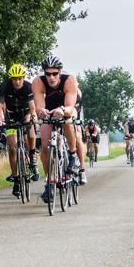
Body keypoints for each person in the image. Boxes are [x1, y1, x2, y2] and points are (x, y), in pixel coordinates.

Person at [33, 55, 84, 203]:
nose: (51, 77)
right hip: (49, 109)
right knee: (44, 144)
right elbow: (39, 107)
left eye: (54, 73)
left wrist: (62, 110)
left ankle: (73, 156)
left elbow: (70, 107)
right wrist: (41, 111)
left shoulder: (70, 80)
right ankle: (50, 181)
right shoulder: (38, 81)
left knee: (67, 120)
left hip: (66, 107)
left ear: (60, 72)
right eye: (48, 74)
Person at [0, 63, 38, 197]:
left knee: (29, 126)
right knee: (12, 147)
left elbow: (32, 106)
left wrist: (33, 116)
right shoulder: (5, 86)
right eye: (14, 79)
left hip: (25, 112)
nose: (17, 81)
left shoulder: (28, 86)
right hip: (11, 115)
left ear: (23, 78)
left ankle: (31, 154)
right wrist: (0, 120)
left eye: (19, 78)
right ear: (11, 79)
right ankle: (16, 179)